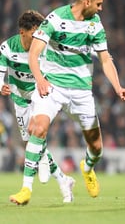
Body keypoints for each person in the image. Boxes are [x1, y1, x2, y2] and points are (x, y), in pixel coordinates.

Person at [9, 0, 125, 205]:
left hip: (82, 92)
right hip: (53, 87)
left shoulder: (95, 25)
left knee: (96, 148)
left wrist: (118, 86)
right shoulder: (55, 19)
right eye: (99, 3)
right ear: (86, 1)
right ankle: (26, 189)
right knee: (37, 127)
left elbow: (105, 59)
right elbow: (34, 53)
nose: (101, 8)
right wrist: (41, 79)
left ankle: (87, 166)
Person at [0, 10, 75, 203]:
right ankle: (63, 180)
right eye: (35, 33)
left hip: (39, 96)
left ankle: (27, 188)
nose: (39, 37)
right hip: (19, 99)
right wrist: (1, 85)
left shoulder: (44, 49)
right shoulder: (7, 47)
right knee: (32, 146)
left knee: (36, 134)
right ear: (22, 32)